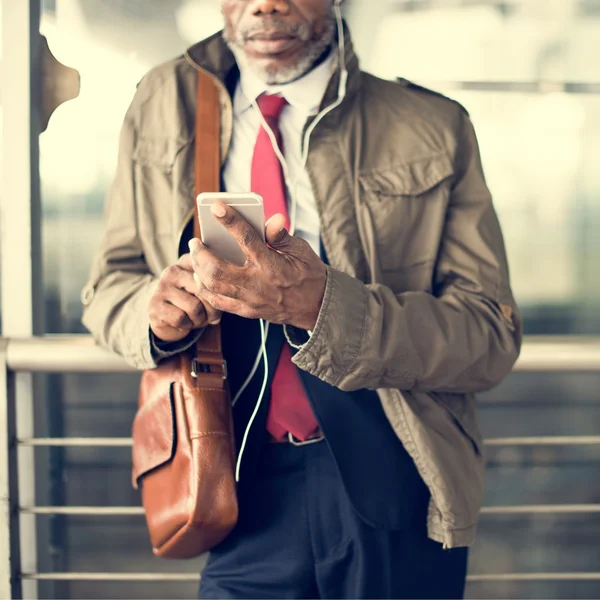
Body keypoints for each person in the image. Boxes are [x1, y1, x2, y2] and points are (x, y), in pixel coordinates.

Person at [81, 0, 522, 597]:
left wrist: (319, 310)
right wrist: (152, 315)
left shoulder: (433, 124)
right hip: (234, 484)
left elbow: (489, 338)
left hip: (397, 476)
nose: (266, 5)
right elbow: (110, 288)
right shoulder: (163, 103)